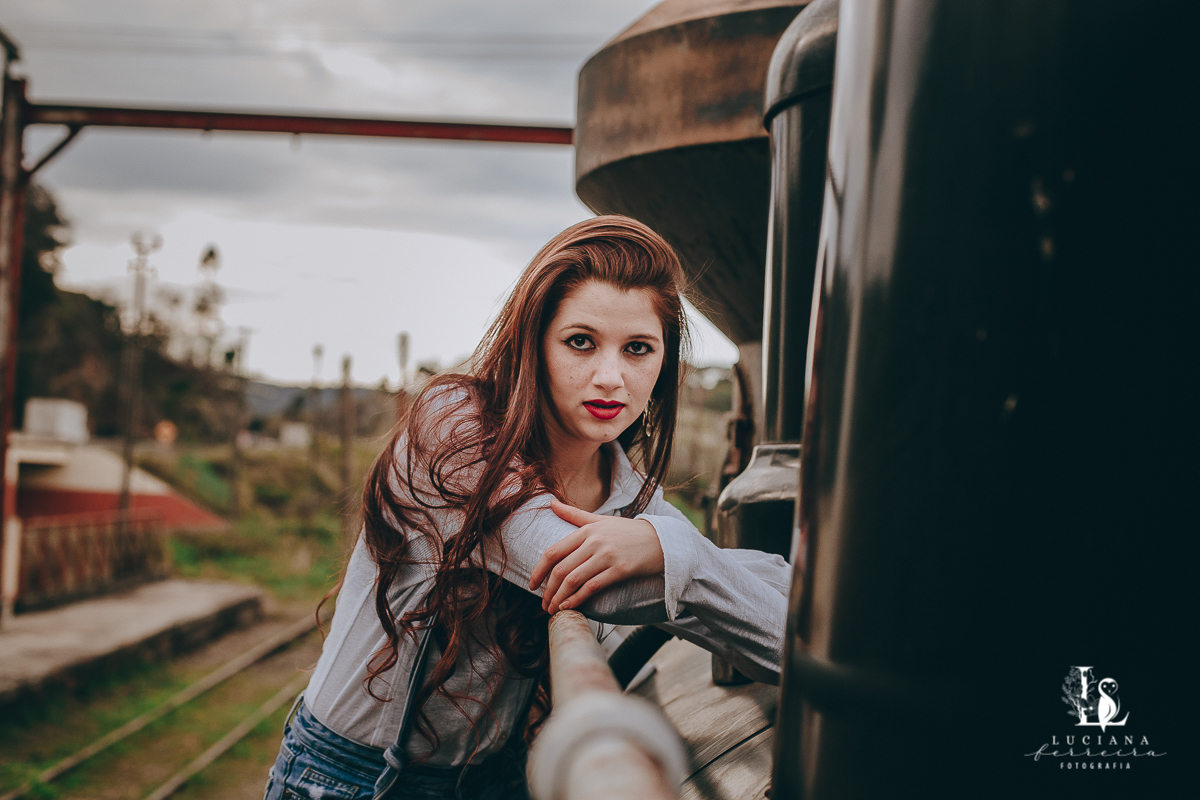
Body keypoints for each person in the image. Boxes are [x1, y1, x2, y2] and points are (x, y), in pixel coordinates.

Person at [263, 216, 790, 800]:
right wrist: (686, 553)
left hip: (494, 780)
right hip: (354, 780)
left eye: (638, 349)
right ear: (534, 343)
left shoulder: (626, 491)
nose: (610, 377)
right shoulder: (455, 430)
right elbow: (590, 580)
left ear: (663, 363)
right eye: (580, 342)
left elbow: (770, 636)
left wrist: (695, 558)